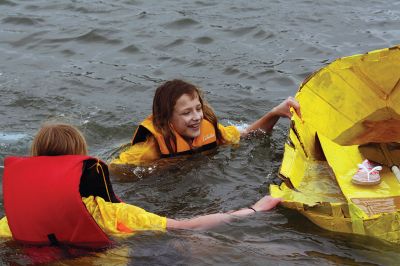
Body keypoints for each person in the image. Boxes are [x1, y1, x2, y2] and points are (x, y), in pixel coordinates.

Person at [0, 123, 281, 248]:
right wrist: (255, 210)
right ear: (81, 162)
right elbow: (189, 225)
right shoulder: (109, 213)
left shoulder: (12, 220)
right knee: (194, 242)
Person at [110, 79, 301, 167]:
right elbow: (112, 170)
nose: (196, 117)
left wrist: (275, 113)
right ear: (166, 119)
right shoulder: (148, 150)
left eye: (198, 109)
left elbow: (251, 133)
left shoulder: (211, 132)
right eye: (186, 112)